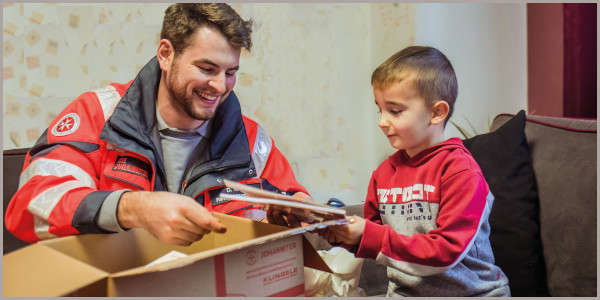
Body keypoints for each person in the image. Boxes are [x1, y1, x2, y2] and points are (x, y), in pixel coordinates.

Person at [5, 3, 309, 247]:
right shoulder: (98, 114)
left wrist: (298, 209)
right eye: (206, 68)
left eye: (230, 72)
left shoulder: (251, 140)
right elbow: (30, 208)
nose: (219, 86)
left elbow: (289, 200)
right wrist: (133, 208)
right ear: (166, 54)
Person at [318, 46, 511, 296]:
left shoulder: (461, 172)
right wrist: (343, 235)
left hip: (473, 294)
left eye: (395, 111)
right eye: (380, 109)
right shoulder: (383, 174)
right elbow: (376, 239)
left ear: (436, 112)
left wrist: (367, 234)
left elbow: (445, 252)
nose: (382, 121)